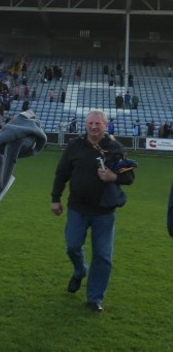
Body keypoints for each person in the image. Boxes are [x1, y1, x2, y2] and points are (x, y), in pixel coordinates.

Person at [51, 109, 136, 312]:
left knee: (103, 255)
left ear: (106, 126)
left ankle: (95, 298)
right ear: (86, 125)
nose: (94, 127)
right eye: (90, 123)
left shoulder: (115, 149)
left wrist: (113, 177)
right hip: (77, 208)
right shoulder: (75, 146)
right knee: (72, 246)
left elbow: (129, 177)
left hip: (104, 212)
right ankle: (80, 270)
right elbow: (62, 173)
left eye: (98, 124)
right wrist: (55, 199)